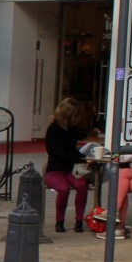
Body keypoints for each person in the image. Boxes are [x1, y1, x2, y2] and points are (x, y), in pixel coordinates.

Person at [44, 97, 92, 233]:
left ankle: (79, 221)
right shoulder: (53, 130)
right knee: (63, 189)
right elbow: (61, 153)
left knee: (82, 185)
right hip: (54, 170)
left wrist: (84, 157)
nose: (77, 118)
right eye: (75, 115)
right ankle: (59, 221)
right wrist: (80, 158)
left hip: (69, 170)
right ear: (68, 115)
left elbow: (72, 149)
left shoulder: (71, 130)